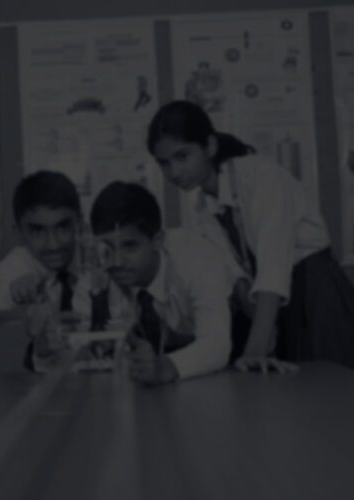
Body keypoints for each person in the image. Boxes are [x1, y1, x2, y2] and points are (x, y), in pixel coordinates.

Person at [147, 99, 354, 373]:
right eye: (164, 163)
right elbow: (238, 278)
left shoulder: (262, 178)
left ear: (210, 146)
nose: (174, 172)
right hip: (272, 304)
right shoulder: (200, 206)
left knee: (327, 384)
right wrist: (264, 335)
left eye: (182, 156)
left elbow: (273, 268)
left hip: (316, 291)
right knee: (282, 385)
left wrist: (255, 348)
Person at [73, 181, 242, 385]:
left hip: (235, 363)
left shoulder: (196, 258)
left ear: (157, 240)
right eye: (107, 248)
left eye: (129, 246)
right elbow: (80, 347)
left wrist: (165, 367)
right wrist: (86, 350)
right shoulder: (95, 283)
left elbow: (217, 345)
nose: (117, 262)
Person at [0, 171, 82, 371]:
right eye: (38, 231)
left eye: (63, 227)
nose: (53, 244)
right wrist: (16, 292)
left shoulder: (89, 258)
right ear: (19, 234)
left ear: (78, 224)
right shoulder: (17, 266)